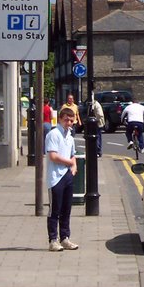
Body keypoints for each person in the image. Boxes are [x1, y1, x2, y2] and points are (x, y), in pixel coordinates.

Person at [45, 107, 79, 252]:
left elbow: (73, 155)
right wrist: (69, 163)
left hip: (67, 175)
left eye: (71, 120)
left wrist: (74, 166)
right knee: (55, 210)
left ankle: (64, 238)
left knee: (67, 209)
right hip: (55, 177)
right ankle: (53, 240)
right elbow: (52, 156)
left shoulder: (70, 137)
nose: (69, 123)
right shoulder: (54, 134)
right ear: (60, 119)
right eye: (66, 120)